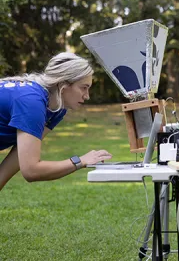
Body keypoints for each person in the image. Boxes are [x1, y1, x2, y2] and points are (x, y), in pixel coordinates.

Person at [0, 52, 112, 191]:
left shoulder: (57, 109)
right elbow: (31, 170)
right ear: (63, 85)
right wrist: (80, 161)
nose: (87, 96)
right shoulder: (31, 102)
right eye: (84, 87)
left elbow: (20, 153)